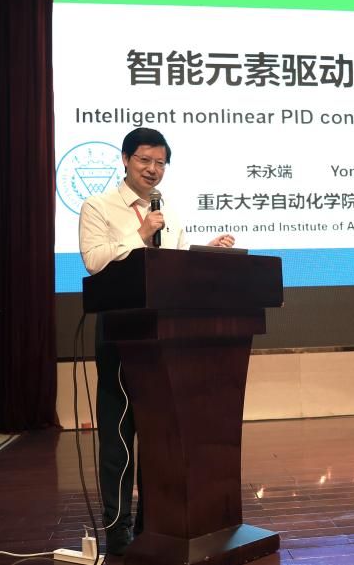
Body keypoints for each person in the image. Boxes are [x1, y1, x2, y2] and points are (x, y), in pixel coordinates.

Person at [78, 127, 234, 555]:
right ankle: (118, 529)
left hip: (165, 335)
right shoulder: (98, 206)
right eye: (145, 160)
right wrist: (141, 234)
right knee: (120, 435)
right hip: (121, 331)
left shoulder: (168, 212)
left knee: (159, 433)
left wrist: (206, 252)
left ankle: (155, 523)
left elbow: (173, 267)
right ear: (125, 160)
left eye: (160, 163)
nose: (153, 169)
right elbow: (94, 261)